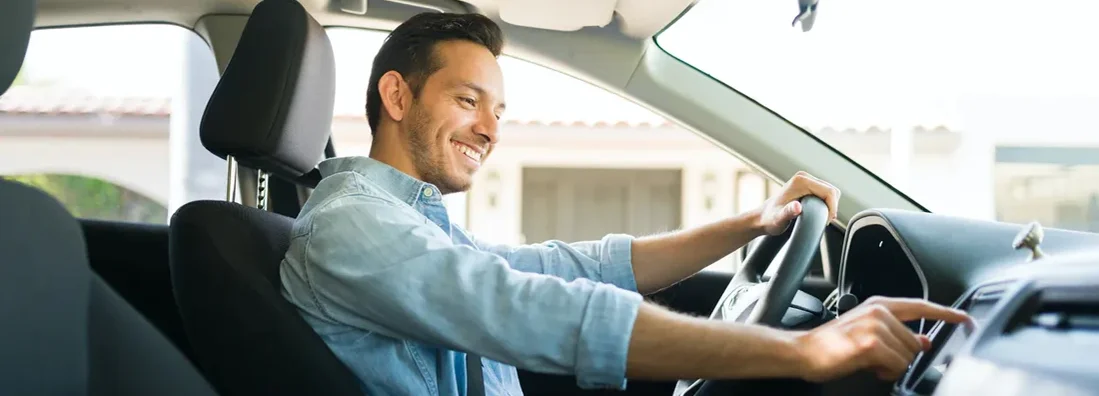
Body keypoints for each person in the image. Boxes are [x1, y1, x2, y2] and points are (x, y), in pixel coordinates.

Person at [279, 12, 970, 396]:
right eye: (467, 101)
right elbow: (525, 308)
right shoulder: (352, 226)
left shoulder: (405, 221)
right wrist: (802, 349)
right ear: (397, 98)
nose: (489, 130)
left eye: (498, 110)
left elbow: (566, 269)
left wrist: (752, 224)